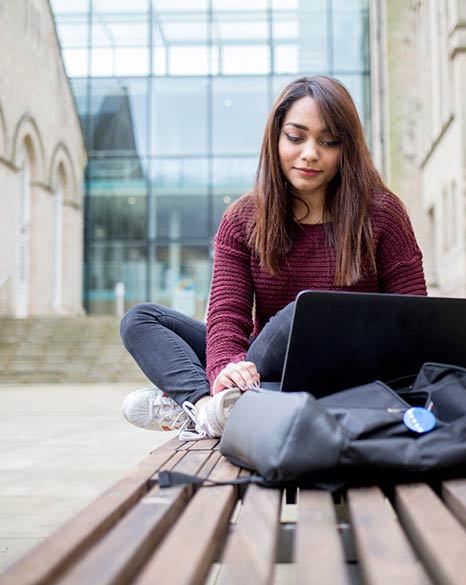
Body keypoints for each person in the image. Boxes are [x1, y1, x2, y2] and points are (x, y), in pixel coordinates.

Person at [120, 75, 426, 439]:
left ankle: (228, 405)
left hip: (352, 372)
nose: (309, 153)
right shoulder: (243, 218)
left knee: (303, 312)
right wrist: (226, 367)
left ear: (347, 149)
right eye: (295, 137)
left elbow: (413, 315)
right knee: (140, 319)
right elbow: (226, 314)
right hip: (265, 364)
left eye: (328, 142)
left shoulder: (382, 214)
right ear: (275, 138)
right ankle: (207, 409)